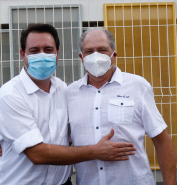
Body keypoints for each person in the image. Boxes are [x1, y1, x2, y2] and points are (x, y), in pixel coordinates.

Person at [0, 24, 137, 185]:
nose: (42, 55)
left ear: (57, 54)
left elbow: (70, 133)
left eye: (48, 50)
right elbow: (37, 154)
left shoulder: (63, 89)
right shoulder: (11, 95)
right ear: (23, 54)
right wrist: (96, 151)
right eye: (34, 50)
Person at [66, 27, 176, 185]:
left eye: (102, 49)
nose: (96, 55)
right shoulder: (70, 93)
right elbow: (65, 143)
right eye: (89, 51)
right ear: (81, 58)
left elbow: (161, 140)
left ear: (113, 55)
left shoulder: (138, 86)